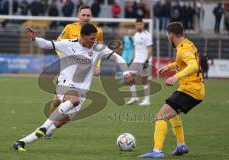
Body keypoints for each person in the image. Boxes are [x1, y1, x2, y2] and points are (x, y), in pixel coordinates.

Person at [12, 23, 134, 152]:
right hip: (65, 83)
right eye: (92, 38)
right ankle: (43, 128)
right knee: (73, 100)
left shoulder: (98, 48)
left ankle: (22, 142)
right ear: (83, 36)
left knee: (58, 123)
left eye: (95, 38)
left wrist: (126, 73)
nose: (95, 41)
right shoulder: (68, 44)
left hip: (82, 91)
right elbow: (48, 44)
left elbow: (117, 57)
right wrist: (34, 39)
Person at [138, 22, 205, 158]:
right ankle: (181, 146)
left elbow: (192, 65)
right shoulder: (188, 44)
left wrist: (175, 76)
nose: (168, 38)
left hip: (189, 91)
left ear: (171, 35)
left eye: (168, 35)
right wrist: (169, 67)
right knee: (173, 113)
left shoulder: (182, 49)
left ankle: (157, 151)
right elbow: (184, 61)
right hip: (196, 90)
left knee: (160, 116)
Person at [45, 5, 103, 138]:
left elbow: (99, 50)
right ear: (78, 15)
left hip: (84, 73)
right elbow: (58, 44)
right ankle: (48, 124)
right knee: (56, 102)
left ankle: (50, 129)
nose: (86, 18)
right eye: (84, 15)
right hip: (68, 70)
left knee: (74, 106)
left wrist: (97, 65)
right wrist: (62, 56)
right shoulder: (69, 28)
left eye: (88, 15)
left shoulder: (97, 31)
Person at [126, 18, 153, 106]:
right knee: (128, 77)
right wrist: (132, 59)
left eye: (140, 24)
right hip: (136, 60)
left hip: (143, 61)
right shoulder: (136, 35)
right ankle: (134, 97)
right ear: (135, 25)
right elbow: (135, 48)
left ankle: (147, 100)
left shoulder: (147, 35)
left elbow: (150, 48)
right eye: (137, 24)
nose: (138, 26)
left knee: (144, 80)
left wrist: (146, 60)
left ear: (143, 25)